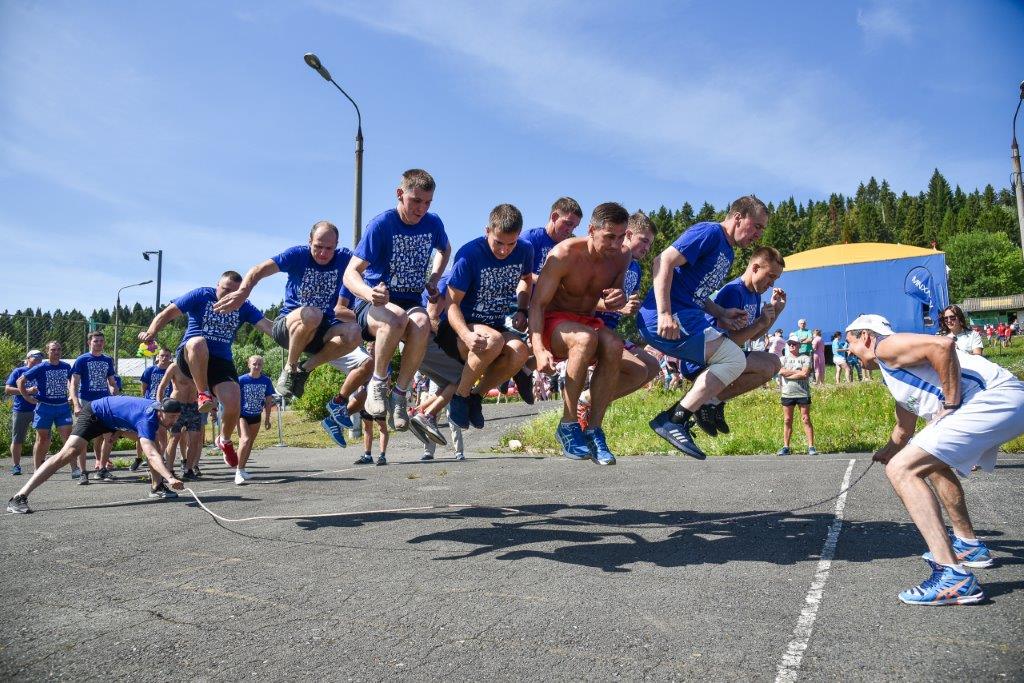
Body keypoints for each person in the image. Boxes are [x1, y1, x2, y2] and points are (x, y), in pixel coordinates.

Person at [844, 313, 1024, 605]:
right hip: (1006, 399)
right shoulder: (895, 374)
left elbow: (942, 346)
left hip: (993, 398)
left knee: (902, 470)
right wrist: (886, 451)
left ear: (865, 336)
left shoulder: (885, 346)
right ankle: (968, 545)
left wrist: (951, 404)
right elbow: (904, 430)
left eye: (849, 342)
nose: (847, 350)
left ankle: (952, 576)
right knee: (930, 464)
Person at [638, 195, 768, 458]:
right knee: (732, 358)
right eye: (757, 226)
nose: (758, 235)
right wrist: (664, 313)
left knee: (736, 359)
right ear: (738, 217)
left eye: (762, 230)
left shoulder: (728, 252)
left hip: (689, 315)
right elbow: (662, 262)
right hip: (667, 318)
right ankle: (676, 418)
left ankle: (695, 409)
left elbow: (695, 291)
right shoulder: (709, 232)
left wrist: (721, 312)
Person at [529, 202, 652, 465]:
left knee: (613, 344)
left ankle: (594, 428)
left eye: (621, 237)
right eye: (609, 237)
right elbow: (537, 304)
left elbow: (610, 301)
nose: (615, 244)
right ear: (591, 230)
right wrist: (538, 348)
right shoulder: (563, 254)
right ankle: (568, 422)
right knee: (585, 339)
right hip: (554, 321)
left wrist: (618, 300)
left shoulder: (622, 256)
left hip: (587, 320)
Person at [343, 169, 451, 430]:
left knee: (422, 323)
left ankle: (399, 395)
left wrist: (434, 277)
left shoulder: (433, 223)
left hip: (410, 299)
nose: (421, 209)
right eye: (415, 201)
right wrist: (371, 294)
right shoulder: (382, 224)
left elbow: (445, 249)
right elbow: (350, 273)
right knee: (396, 317)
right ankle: (378, 384)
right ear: (400, 194)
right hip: (374, 304)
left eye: (427, 203)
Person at [214, 221, 362, 401]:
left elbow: (372, 266)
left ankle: (304, 369)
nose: (323, 253)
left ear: (336, 245)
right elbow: (258, 270)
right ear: (309, 241)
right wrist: (242, 292)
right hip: (288, 327)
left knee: (355, 332)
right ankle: (289, 367)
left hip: (321, 333)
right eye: (318, 247)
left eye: (329, 248)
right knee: (312, 313)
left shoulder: (345, 258)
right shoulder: (297, 255)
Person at [140, 271, 273, 469]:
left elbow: (267, 327)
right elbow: (167, 313)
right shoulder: (202, 295)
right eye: (225, 290)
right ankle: (203, 394)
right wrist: (152, 331)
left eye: (235, 293)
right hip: (191, 356)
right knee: (198, 342)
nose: (228, 296)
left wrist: (296, 336)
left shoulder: (243, 305)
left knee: (233, 400)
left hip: (220, 361)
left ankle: (224, 440)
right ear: (217, 285)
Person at [439, 204, 533, 430]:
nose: (504, 250)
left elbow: (527, 278)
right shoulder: (469, 254)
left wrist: (522, 308)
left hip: (495, 325)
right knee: (494, 340)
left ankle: (476, 397)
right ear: (487, 231)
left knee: (520, 350)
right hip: (457, 328)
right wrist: (465, 335)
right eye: (498, 242)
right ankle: (460, 397)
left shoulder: (525, 250)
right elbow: (451, 304)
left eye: (511, 244)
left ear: (519, 236)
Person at [678, 246, 788, 438]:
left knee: (773, 363)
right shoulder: (734, 292)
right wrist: (762, 321)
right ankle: (702, 401)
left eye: (776, 279)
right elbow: (729, 340)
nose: (771, 284)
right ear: (755, 268)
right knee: (767, 366)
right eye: (770, 276)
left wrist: (776, 312)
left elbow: (753, 336)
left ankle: (711, 401)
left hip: (723, 355)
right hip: (699, 359)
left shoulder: (754, 294)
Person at [7, 397, 185, 513]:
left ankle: (156, 488)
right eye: (170, 416)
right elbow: (152, 455)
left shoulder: (157, 413)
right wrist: (170, 476)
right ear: (160, 411)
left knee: (153, 442)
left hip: (113, 420)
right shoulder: (147, 419)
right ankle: (19, 497)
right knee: (68, 453)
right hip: (95, 414)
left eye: (176, 417)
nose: (173, 421)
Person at [18, 341, 78, 478]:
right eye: (53, 350)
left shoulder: (66, 366)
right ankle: (37, 470)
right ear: (48, 352)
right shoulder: (41, 367)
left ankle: (75, 469)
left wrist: (71, 395)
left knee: (69, 439)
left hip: (62, 407)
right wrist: (27, 397)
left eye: (58, 349)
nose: (56, 352)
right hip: (44, 407)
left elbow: (72, 381)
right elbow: (20, 381)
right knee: (42, 439)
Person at [70, 331, 119, 480]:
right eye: (96, 341)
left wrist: (114, 390)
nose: (99, 343)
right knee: (82, 438)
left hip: (104, 403)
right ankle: (84, 472)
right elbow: (74, 384)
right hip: (86, 402)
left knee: (109, 436)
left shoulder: (107, 360)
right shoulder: (82, 360)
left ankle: (102, 468)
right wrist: (76, 404)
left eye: (101, 341)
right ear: (89, 343)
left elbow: (111, 382)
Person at [155, 360, 204, 479]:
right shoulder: (175, 367)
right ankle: (169, 470)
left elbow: (206, 386)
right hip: (176, 406)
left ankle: (188, 469)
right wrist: (159, 406)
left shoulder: (198, 366)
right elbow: (161, 387)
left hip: (193, 405)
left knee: (194, 439)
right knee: (174, 437)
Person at [131, 346, 174, 470]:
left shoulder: (171, 371)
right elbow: (143, 387)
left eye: (167, 356)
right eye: (162, 355)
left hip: (165, 405)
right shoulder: (150, 370)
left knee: (161, 433)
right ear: (157, 357)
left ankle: (160, 456)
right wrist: (145, 400)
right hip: (150, 404)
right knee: (142, 432)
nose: (164, 358)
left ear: (170, 358)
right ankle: (138, 458)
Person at [235, 355, 276, 485]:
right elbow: (233, 398)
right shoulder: (241, 380)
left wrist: (267, 419)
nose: (257, 367)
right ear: (249, 365)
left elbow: (268, 401)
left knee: (250, 443)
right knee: (245, 440)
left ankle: (242, 469)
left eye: (259, 364)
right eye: (254, 364)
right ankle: (237, 472)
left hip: (256, 415)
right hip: (242, 415)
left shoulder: (266, 381)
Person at [777, 334, 817, 456]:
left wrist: (790, 374)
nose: (792, 345)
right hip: (787, 393)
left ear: (799, 345)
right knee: (787, 420)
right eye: (790, 344)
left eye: (794, 343)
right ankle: (786, 447)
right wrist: (797, 372)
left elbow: (805, 374)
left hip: (803, 392)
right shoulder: (782, 359)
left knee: (806, 419)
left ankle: (811, 446)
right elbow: (781, 372)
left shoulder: (805, 358)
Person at [5, 349, 43, 475]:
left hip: (40, 409)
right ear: (28, 358)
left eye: (40, 357)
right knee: (17, 439)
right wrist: (28, 391)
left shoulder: (42, 370)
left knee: (43, 437)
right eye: (35, 357)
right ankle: (16, 466)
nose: (39, 359)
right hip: (21, 410)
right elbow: (8, 390)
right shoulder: (19, 371)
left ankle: (40, 464)